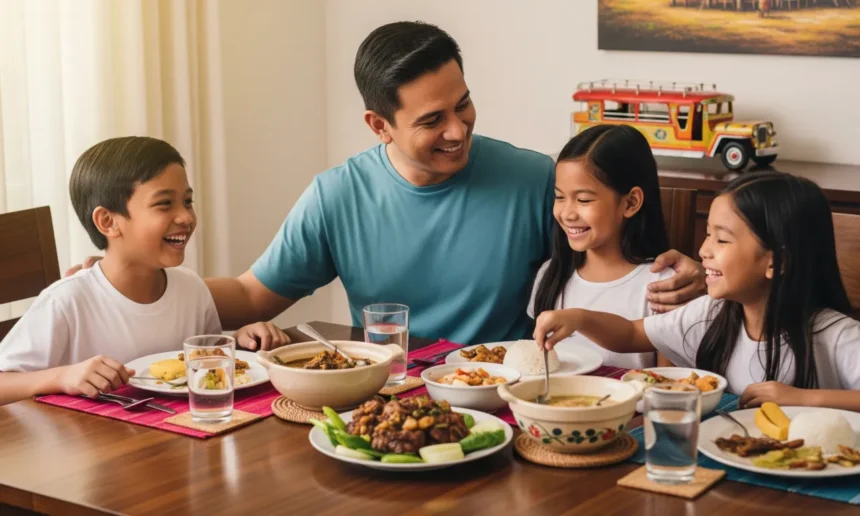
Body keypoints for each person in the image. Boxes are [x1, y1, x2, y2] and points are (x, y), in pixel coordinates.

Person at [68, 22, 706, 345]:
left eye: (464, 104)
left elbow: (614, 257)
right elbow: (246, 295)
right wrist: (120, 276)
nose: (458, 130)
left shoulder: (536, 179)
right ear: (379, 124)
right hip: (386, 403)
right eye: (432, 120)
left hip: (509, 409)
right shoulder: (337, 195)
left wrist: (688, 272)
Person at [534, 171, 860, 412]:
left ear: (778, 262)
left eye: (722, 239)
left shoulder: (834, 334)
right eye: (707, 235)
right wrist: (579, 318)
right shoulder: (710, 314)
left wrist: (804, 399)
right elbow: (632, 334)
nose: (704, 250)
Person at [0, 137, 286, 406]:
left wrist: (240, 340)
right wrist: (62, 376)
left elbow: (206, 366)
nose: (186, 217)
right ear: (108, 221)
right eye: (164, 204)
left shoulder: (191, 289)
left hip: (175, 440)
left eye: (187, 201)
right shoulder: (66, 301)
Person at [529, 125, 674, 369]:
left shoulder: (665, 288)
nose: (567, 213)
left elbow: (671, 387)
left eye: (584, 200)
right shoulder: (551, 275)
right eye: (559, 196)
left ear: (630, 202)